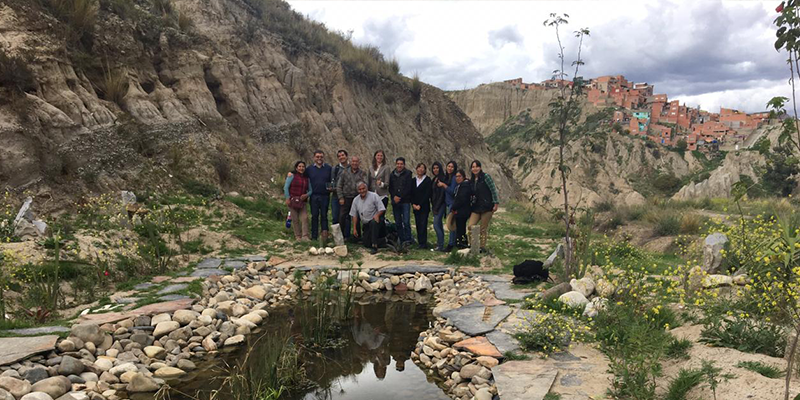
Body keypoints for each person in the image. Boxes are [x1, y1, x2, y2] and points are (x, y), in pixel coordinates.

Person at [467, 160, 500, 253]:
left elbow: (493, 189)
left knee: (483, 228)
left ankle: (482, 247)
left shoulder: (486, 177)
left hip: (487, 206)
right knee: (470, 226)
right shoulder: (472, 180)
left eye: (477, 166)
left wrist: (496, 203)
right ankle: (472, 245)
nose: (475, 168)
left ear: (480, 168)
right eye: (473, 167)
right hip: (476, 207)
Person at [350, 182, 386, 254]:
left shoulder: (374, 196)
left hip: (376, 222)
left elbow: (382, 209)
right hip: (366, 224)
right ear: (358, 190)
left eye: (363, 188)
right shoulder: (356, 200)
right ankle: (384, 241)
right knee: (366, 243)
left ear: (366, 188)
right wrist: (354, 228)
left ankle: (374, 246)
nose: (362, 191)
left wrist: (377, 215)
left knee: (373, 223)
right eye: (360, 189)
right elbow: (354, 215)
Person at [336, 155, 366, 240]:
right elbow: (339, 185)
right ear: (350, 162)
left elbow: (365, 185)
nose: (354, 163)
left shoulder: (362, 173)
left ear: (359, 163)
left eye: (356, 161)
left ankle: (357, 237)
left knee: (357, 217)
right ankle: (342, 236)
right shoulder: (344, 172)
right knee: (342, 217)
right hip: (346, 198)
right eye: (353, 161)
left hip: (357, 198)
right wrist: (341, 197)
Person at [307, 150, 332, 242]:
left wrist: (331, 188)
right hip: (313, 196)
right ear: (314, 158)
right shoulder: (309, 169)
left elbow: (332, 180)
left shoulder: (329, 168)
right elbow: (301, 175)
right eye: (317, 157)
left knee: (324, 216)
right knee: (314, 216)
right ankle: (314, 236)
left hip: (325, 195)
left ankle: (325, 236)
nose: (319, 158)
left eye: (321, 157)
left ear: (323, 157)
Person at [283, 161, 312, 241]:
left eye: (303, 167)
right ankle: (297, 236)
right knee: (295, 219)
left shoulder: (307, 179)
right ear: (296, 168)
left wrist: (306, 195)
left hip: (302, 201)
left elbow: (310, 190)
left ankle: (305, 236)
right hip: (292, 200)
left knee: (305, 218)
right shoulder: (291, 176)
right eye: (299, 166)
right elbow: (286, 187)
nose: (301, 168)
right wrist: (287, 198)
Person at [388, 157, 414, 246]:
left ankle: (408, 239)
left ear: (404, 165)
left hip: (405, 201)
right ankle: (401, 239)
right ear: (396, 164)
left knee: (406, 221)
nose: (399, 165)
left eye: (401, 164)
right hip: (395, 202)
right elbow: (390, 188)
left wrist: (400, 197)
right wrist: (394, 197)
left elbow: (408, 188)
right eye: (398, 164)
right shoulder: (392, 174)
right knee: (398, 222)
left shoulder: (408, 174)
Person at [411, 163, 431, 249]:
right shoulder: (413, 180)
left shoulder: (427, 180)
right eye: (419, 167)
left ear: (425, 170)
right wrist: (413, 204)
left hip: (424, 206)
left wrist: (420, 205)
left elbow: (427, 194)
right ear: (416, 169)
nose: (421, 169)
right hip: (415, 206)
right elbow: (411, 193)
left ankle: (423, 243)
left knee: (423, 224)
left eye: (423, 168)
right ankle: (420, 242)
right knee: (418, 224)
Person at [451, 169, 472, 248]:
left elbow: (461, 199)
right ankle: (461, 243)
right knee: (460, 228)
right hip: (461, 210)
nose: (458, 178)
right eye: (456, 176)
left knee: (461, 228)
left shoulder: (464, 185)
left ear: (463, 177)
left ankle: (462, 244)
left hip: (462, 210)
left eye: (459, 176)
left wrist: (454, 207)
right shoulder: (460, 186)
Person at [440, 161, 458, 251]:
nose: (450, 168)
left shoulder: (454, 178)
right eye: (448, 166)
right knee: (451, 224)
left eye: (452, 167)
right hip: (448, 203)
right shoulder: (448, 177)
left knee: (451, 225)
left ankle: (451, 244)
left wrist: (444, 185)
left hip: (452, 203)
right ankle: (453, 243)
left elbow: (452, 191)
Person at [430, 162, 447, 252]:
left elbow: (441, 195)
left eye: (437, 168)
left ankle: (440, 245)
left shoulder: (442, 179)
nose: (435, 170)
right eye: (434, 168)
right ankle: (440, 243)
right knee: (439, 225)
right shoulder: (434, 179)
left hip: (440, 205)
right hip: (435, 205)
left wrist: (436, 207)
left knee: (436, 225)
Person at [330, 149, 349, 227]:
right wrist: (332, 188)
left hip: (348, 196)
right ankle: (337, 237)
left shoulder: (351, 167)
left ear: (347, 156)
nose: (341, 157)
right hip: (336, 196)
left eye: (343, 155)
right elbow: (332, 181)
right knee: (335, 217)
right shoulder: (335, 169)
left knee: (347, 217)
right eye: (339, 156)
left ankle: (346, 236)